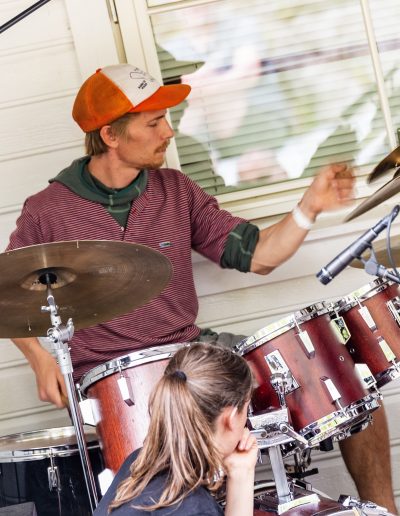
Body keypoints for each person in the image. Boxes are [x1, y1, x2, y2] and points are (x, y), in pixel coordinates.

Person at [6, 64, 396, 513]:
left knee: (342, 373)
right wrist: (40, 359)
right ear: (111, 135)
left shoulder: (176, 189)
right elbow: (9, 292)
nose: (168, 132)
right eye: (153, 123)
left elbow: (258, 255)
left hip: (194, 355)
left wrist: (309, 208)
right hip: (115, 381)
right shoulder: (47, 210)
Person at [93, 342, 257, 515]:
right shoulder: (194, 509)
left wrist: (241, 473)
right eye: (246, 408)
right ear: (230, 418)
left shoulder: (136, 465)